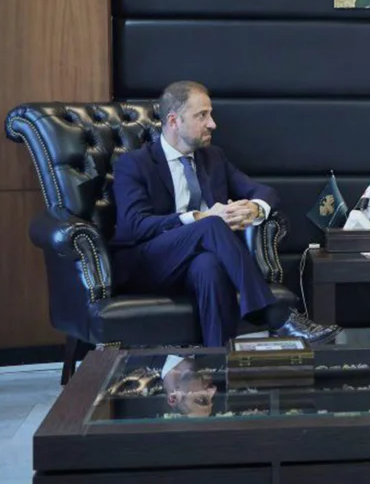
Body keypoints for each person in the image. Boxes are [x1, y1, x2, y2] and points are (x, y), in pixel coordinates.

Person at [111, 81, 339, 347]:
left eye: (210, 114)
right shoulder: (134, 163)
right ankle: (274, 315)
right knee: (212, 225)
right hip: (148, 264)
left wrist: (254, 208)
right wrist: (199, 218)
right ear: (173, 121)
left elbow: (264, 192)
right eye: (202, 116)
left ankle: (217, 362)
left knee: (208, 267)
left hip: (197, 263)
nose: (212, 124)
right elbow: (134, 225)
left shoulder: (213, 159)